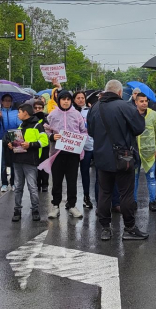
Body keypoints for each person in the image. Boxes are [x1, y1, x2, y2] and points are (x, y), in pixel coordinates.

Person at [86, 79, 148, 241]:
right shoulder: (125, 106)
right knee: (126, 193)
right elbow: (139, 128)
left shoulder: (94, 108)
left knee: (104, 193)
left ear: (106, 91)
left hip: (101, 156)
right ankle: (129, 228)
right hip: (124, 156)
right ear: (120, 92)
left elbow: (91, 132)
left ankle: (105, 229)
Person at [45, 89, 89, 219]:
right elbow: (46, 130)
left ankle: (72, 205)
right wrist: (52, 136)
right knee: (57, 181)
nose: (65, 101)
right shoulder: (52, 115)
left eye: (68, 99)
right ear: (59, 100)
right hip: (57, 153)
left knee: (72, 181)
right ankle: (55, 205)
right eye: (63, 99)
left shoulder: (77, 115)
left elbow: (84, 131)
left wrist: (79, 140)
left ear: (71, 101)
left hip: (73, 154)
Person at [10, 103, 49, 222]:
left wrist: (30, 145)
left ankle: (35, 210)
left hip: (30, 161)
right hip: (18, 160)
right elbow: (19, 142)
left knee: (32, 187)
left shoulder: (37, 125)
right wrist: (12, 145)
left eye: (19, 112)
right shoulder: (21, 125)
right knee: (18, 187)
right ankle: (17, 210)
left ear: (25, 113)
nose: (18, 114)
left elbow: (45, 141)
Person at [134, 92, 156, 210]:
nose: (144, 103)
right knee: (133, 179)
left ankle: (153, 201)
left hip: (150, 153)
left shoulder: (154, 115)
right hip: (135, 153)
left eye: (146, 101)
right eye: (141, 101)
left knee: (151, 178)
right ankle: (133, 202)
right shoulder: (132, 114)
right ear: (136, 102)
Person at [0, 93, 20, 193]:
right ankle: (4, 183)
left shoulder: (16, 112)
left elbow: (19, 125)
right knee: (2, 163)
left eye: (9, 100)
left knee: (13, 162)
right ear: (2, 102)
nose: (7, 102)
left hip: (14, 139)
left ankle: (13, 183)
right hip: (1, 139)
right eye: (5, 100)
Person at [74, 91, 95, 210]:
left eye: (82, 98)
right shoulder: (72, 111)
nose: (81, 100)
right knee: (80, 173)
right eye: (78, 98)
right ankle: (74, 199)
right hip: (77, 146)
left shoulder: (90, 110)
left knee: (90, 172)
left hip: (91, 145)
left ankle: (87, 196)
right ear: (74, 99)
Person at [32, 98, 51, 192]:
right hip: (35, 145)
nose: (38, 109)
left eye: (40, 108)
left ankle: (45, 184)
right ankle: (37, 183)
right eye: (36, 108)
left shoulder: (47, 118)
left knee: (44, 165)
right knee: (35, 165)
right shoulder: (31, 119)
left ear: (43, 108)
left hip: (45, 146)